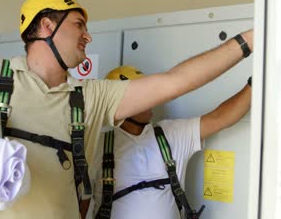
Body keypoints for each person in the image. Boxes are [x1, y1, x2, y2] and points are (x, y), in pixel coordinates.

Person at [0, 0, 253, 219]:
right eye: (79, 25)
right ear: (46, 25)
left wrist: (251, 40)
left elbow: (176, 81)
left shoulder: (91, 97)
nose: (87, 36)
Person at [85, 66, 252, 219]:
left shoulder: (170, 134)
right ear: (118, 103)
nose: (151, 100)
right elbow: (78, 205)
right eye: (142, 96)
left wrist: (254, 84)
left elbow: (221, 118)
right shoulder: (95, 146)